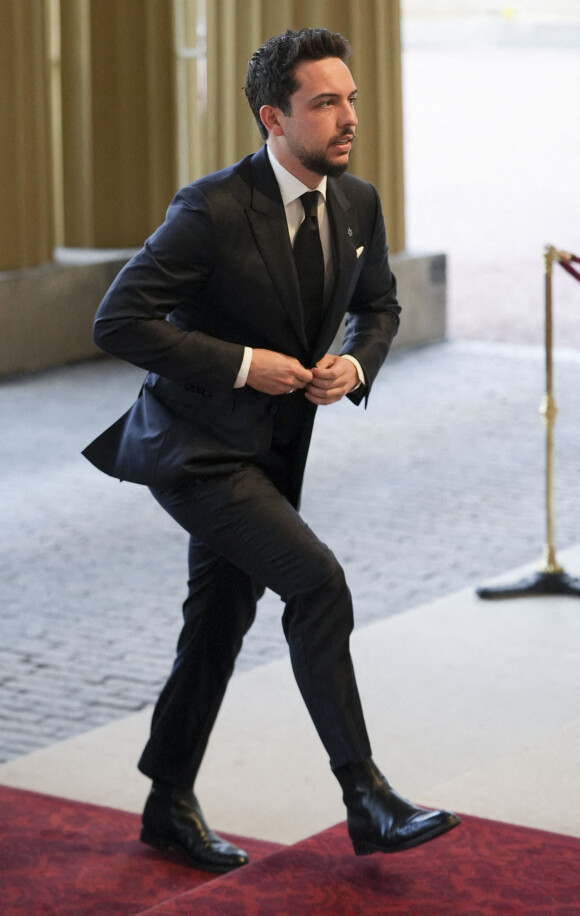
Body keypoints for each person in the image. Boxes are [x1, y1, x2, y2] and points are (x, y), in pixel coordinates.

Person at [83, 27, 460, 873]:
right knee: (317, 583)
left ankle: (165, 802)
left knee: (217, 624)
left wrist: (355, 363)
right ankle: (366, 797)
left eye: (350, 98)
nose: (347, 117)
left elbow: (381, 307)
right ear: (273, 117)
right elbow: (117, 320)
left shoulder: (356, 204)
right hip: (194, 450)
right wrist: (248, 366)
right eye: (325, 102)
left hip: (273, 454)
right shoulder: (210, 209)